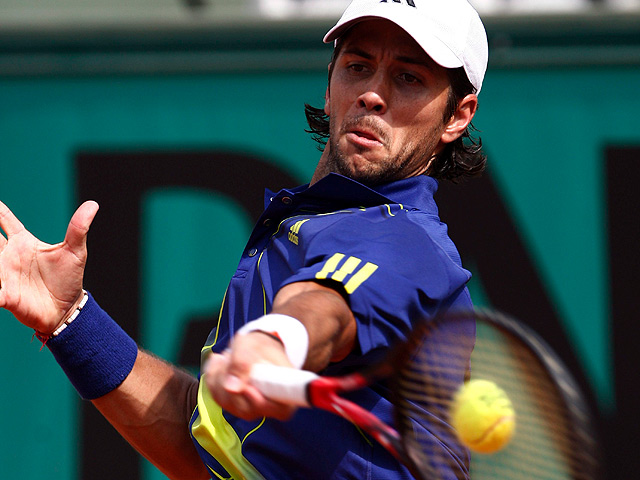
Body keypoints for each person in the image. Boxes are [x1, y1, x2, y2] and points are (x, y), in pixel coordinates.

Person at [0, 0, 488, 478]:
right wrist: (69, 319)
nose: (372, 94)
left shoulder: (406, 242)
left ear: (457, 116)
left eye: (408, 78)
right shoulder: (301, 226)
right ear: (329, 84)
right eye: (358, 67)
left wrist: (280, 340)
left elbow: (326, 304)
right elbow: (205, 444)